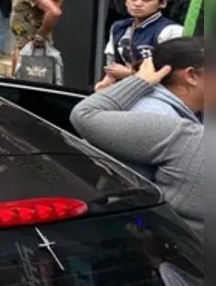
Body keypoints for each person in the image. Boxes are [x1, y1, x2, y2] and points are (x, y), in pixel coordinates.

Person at [70, 54, 203, 238]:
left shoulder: (179, 130)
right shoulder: (162, 117)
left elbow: (85, 115)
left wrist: (136, 82)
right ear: (191, 75)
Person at [96, 0, 183, 91]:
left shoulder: (171, 30)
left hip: (158, 94)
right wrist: (106, 82)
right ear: (126, 2)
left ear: (162, 3)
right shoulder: (119, 27)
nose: (138, 4)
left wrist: (130, 73)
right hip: (125, 91)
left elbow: (174, 72)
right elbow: (112, 63)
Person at [6, 0, 63, 68]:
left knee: (28, 80)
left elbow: (54, 11)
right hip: (23, 45)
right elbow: (57, 1)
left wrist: (40, 35)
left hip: (32, 49)